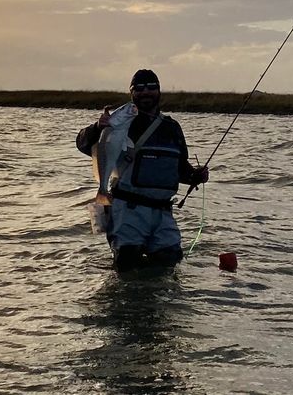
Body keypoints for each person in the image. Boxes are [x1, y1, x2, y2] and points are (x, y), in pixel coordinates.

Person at [76, 69, 209, 272]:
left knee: (168, 264)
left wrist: (195, 176)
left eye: (151, 87)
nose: (145, 92)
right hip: (128, 211)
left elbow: (180, 168)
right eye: (139, 88)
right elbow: (82, 143)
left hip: (164, 212)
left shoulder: (172, 127)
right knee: (127, 265)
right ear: (132, 93)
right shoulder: (120, 123)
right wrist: (97, 127)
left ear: (159, 91)